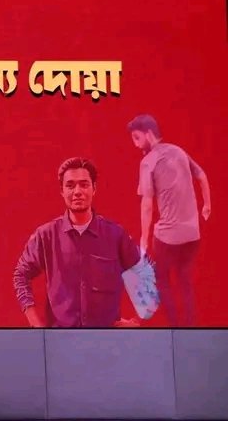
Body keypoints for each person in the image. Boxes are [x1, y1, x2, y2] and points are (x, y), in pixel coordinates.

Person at [13, 157, 141, 328]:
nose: (77, 191)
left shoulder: (116, 235)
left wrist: (136, 321)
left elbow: (144, 274)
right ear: (62, 191)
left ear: (94, 189)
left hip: (106, 339)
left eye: (84, 184)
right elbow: (21, 275)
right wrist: (36, 325)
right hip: (60, 338)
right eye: (70, 185)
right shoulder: (46, 236)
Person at [127, 114, 212, 326]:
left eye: (137, 138)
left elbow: (147, 204)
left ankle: (174, 326)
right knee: (184, 279)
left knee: (160, 278)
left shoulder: (148, 162)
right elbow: (201, 175)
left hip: (169, 237)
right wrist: (206, 205)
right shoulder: (179, 151)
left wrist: (144, 238)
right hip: (193, 234)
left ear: (148, 134)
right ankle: (190, 325)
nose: (136, 145)